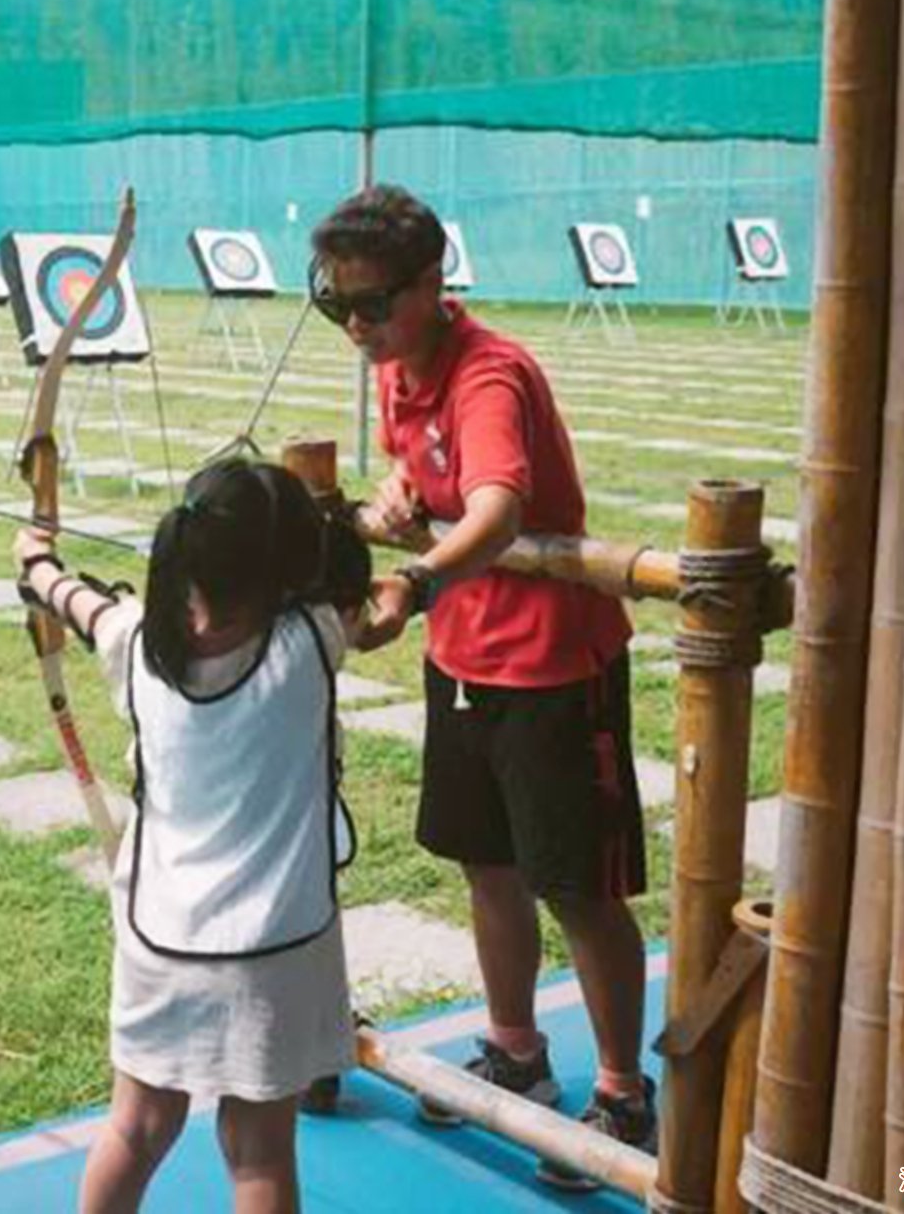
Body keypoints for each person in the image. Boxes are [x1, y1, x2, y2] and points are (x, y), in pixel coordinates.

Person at [314, 185, 653, 1185]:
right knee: (484, 862)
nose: (355, 327)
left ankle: (624, 1092)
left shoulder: (486, 374)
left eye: (370, 304)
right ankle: (515, 1048)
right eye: (334, 305)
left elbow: (498, 507)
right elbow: (429, 481)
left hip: (549, 666)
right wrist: (398, 501)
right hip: (461, 660)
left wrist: (412, 578)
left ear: (430, 283)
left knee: (575, 885)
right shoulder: (395, 367)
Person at [15, 458, 368, 1214]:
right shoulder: (312, 641)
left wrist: (37, 561)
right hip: (277, 948)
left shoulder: (135, 639)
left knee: (136, 1129)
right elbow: (376, 597)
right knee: (260, 1153)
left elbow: (75, 603)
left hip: (163, 943)